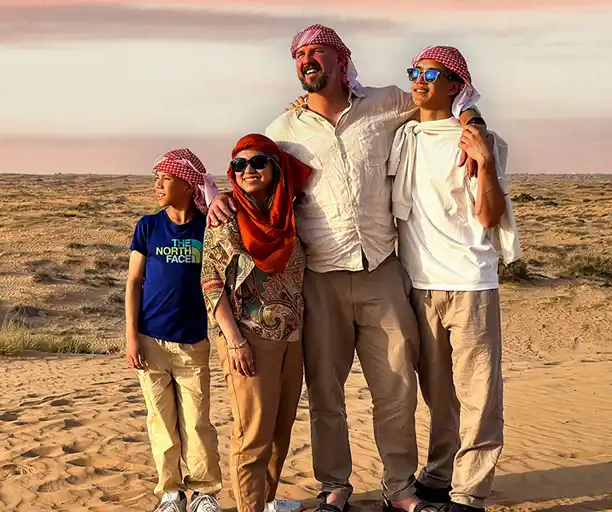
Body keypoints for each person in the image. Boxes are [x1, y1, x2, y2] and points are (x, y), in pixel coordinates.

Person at [206, 24, 489, 512]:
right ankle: (333, 486)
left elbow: (443, 95)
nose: (306, 60)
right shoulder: (284, 130)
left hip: (382, 272)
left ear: (341, 60)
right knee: (326, 394)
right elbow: (250, 169)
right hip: (318, 279)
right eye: (299, 55)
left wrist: (475, 120)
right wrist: (222, 198)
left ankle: (399, 488)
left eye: (317, 52)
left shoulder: (385, 103)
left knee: (397, 388)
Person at [388, 46, 520, 512]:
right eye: (414, 71)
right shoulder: (403, 136)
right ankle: (441, 472)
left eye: (430, 73)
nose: (418, 80)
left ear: (455, 84)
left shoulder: (481, 141)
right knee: (437, 393)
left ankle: (470, 493)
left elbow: (489, 213)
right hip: (418, 284)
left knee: (479, 394)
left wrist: (483, 159)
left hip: (471, 283)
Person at [201, 134, 312, 512]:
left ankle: (263, 502)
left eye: (258, 162)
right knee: (253, 433)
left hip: (292, 337)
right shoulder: (227, 217)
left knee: (281, 430)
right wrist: (234, 341)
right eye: (239, 164)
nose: (248, 170)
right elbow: (211, 279)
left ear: (275, 167)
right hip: (248, 338)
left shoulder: (289, 214)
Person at [125, 148, 225, 512]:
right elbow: (134, 281)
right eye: (157, 179)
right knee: (161, 423)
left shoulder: (206, 226)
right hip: (150, 342)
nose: (157, 185)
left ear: (186, 183)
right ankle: (170, 493)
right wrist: (131, 336)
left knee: (197, 422)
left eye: (164, 179)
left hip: (193, 343)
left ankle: (204, 492)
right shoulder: (148, 227)